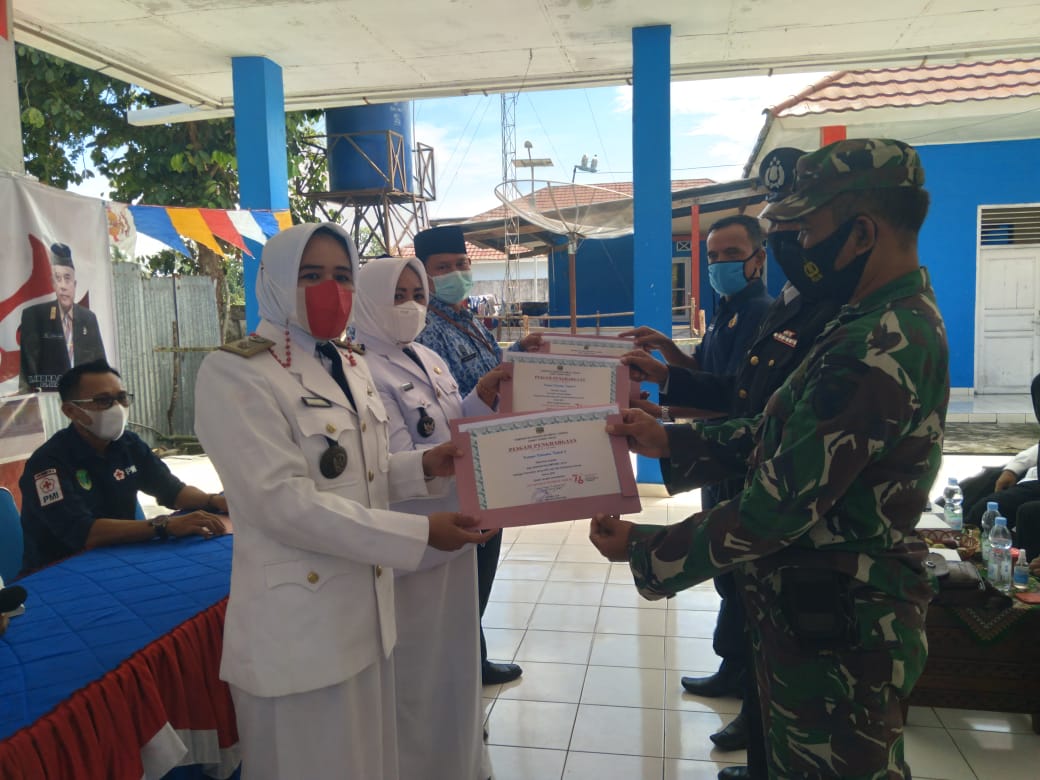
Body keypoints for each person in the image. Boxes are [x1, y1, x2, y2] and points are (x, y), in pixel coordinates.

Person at [590, 138, 947, 779]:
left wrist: (646, 550)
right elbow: (780, 430)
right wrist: (675, 440)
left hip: (840, 632)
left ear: (862, 232)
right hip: (811, 611)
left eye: (804, 229)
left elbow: (777, 505)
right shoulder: (858, 320)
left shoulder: (876, 343)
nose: (792, 246)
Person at [194, 222, 488, 780]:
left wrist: (424, 465)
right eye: (311, 275)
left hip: (368, 620)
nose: (332, 290)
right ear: (278, 281)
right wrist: (421, 535)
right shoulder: (237, 373)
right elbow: (283, 504)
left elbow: (365, 476)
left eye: (342, 276)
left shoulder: (347, 364)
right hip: (298, 629)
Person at [621, 150, 845, 774]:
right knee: (736, 586)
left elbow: (753, 412)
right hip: (721, 461)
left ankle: (753, 704)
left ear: (756, 258)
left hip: (759, 483)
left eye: (730, 254)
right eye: (710, 256)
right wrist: (669, 372)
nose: (719, 264)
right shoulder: (738, 314)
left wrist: (668, 429)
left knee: (745, 584)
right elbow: (724, 386)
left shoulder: (786, 319)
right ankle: (736, 679)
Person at [354, 255, 505, 780]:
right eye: (398, 295)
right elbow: (379, 464)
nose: (411, 305)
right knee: (415, 678)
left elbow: (452, 430)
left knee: (455, 670)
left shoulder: (428, 357)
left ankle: (464, 765)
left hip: (456, 534)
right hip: (410, 547)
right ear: (368, 298)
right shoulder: (355, 369)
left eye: (417, 295)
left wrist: (481, 399)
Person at [413, 224, 542, 686]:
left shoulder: (463, 318)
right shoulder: (424, 330)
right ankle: (466, 667)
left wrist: (517, 353)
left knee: (480, 568)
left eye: (461, 265)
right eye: (442, 268)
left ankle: (474, 658)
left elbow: (487, 373)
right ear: (425, 276)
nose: (455, 274)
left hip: (494, 458)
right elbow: (449, 401)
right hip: (464, 462)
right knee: (470, 570)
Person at [19, 360, 227, 573]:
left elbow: (172, 491)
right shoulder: (47, 464)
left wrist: (214, 501)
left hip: (121, 557)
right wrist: (164, 525)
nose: (117, 408)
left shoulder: (128, 444)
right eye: (103, 400)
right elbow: (84, 533)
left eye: (121, 398)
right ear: (71, 411)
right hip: (61, 572)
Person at [19, 242, 106, 392]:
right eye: (58, 279)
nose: (63, 286)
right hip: (51, 404)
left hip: (83, 400)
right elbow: (28, 377)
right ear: (53, 284)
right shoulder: (35, 317)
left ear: (75, 284)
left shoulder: (88, 318)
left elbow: (101, 367)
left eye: (67, 279)